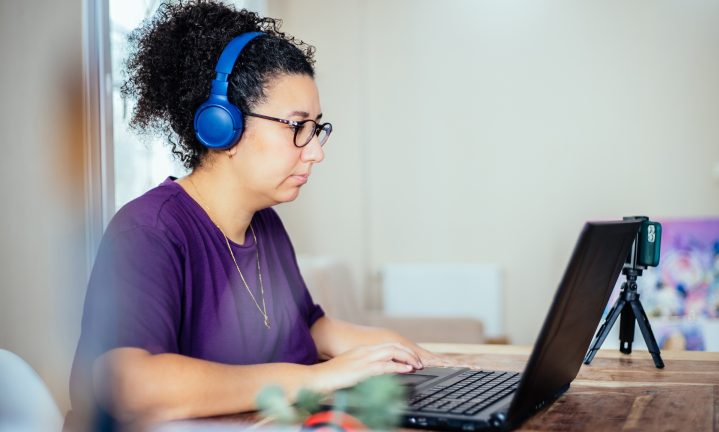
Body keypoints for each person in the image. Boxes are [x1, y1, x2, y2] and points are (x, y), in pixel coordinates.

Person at [66, 1, 453, 428]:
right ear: (222, 126)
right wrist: (316, 378)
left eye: (317, 128)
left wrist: (412, 358)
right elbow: (131, 387)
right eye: (297, 127)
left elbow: (313, 329)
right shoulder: (149, 230)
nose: (316, 152)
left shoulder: (264, 223)